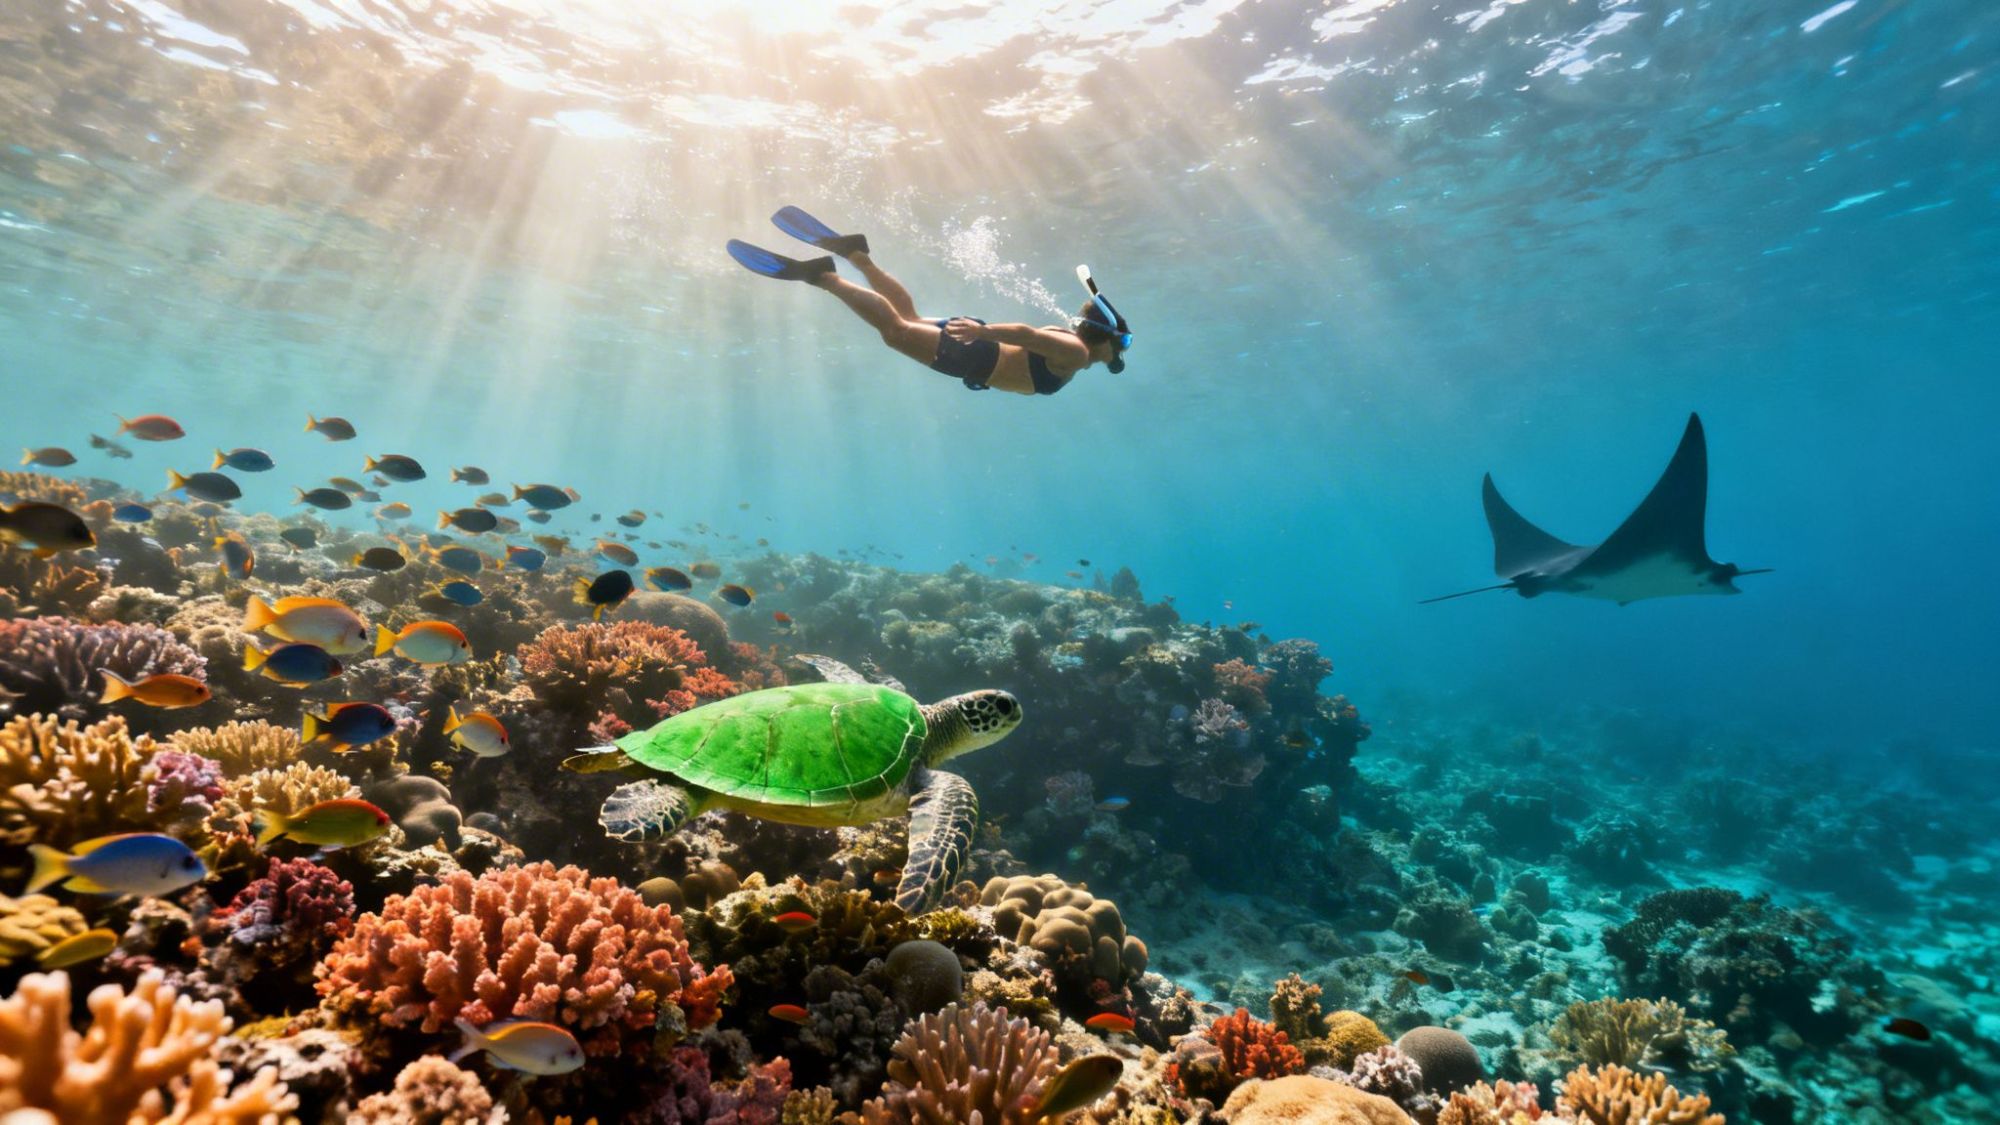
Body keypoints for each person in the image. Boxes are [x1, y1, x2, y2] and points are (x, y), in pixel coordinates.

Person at [727, 207, 1131, 396]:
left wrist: (981, 331)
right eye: (1123, 344)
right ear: (1106, 337)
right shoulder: (1077, 353)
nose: (1121, 353)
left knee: (907, 316)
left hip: (977, 347)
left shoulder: (1075, 347)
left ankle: (856, 254)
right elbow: (1027, 335)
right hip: (977, 353)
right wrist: (982, 332)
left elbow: (1029, 338)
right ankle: (823, 276)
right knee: (895, 332)